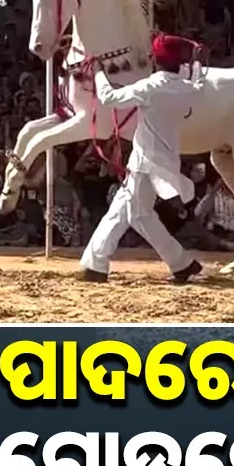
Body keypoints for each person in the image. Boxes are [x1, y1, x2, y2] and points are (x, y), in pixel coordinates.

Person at [79, 33, 204, 284]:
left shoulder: (152, 86)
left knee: (126, 210)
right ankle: (181, 263)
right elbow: (198, 81)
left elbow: (109, 99)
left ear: (157, 61)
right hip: (165, 161)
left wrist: (100, 73)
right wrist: (196, 64)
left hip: (145, 160)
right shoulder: (187, 88)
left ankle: (96, 264)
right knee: (138, 214)